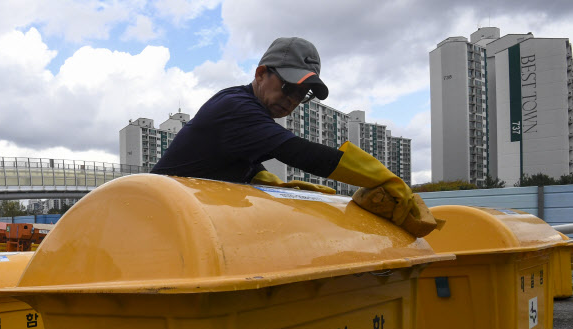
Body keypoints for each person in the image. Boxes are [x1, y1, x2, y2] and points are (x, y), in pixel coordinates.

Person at [151, 37, 438, 237]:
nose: (293, 101)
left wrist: (279, 187)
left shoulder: (244, 112)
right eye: (289, 88)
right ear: (261, 73)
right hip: (154, 214)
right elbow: (297, 152)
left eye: (303, 95)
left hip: (178, 217)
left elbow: (233, 163)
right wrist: (382, 180)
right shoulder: (236, 108)